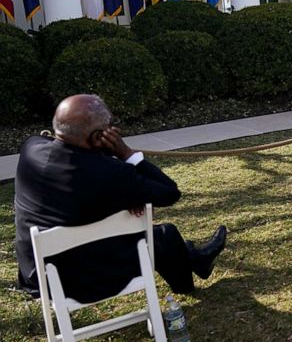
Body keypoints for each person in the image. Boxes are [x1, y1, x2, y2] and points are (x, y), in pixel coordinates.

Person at [14, 95, 228, 305]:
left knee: (160, 237)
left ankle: (196, 259)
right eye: (110, 126)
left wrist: (124, 190)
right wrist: (125, 153)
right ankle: (190, 273)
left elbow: (79, 178)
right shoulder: (112, 174)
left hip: (39, 275)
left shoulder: (30, 148)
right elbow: (170, 192)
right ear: (99, 136)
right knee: (165, 235)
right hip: (89, 280)